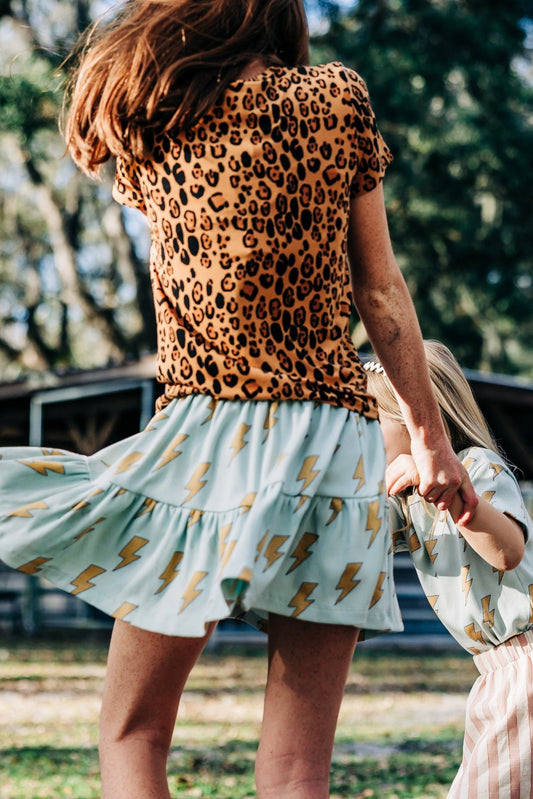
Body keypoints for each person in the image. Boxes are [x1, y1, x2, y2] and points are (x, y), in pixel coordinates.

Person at [0, 2, 476, 797]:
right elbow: (380, 293)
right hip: (333, 440)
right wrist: (431, 442)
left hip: (205, 439)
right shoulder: (337, 100)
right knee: (295, 767)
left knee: (132, 732)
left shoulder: (151, 119)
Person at [365, 340, 533, 799]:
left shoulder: (477, 467)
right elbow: (360, 539)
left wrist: (446, 488)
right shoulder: (405, 502)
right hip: (495, 674)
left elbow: (507, 551)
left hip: (526, 667)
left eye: (370, 419)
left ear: (418, 420)